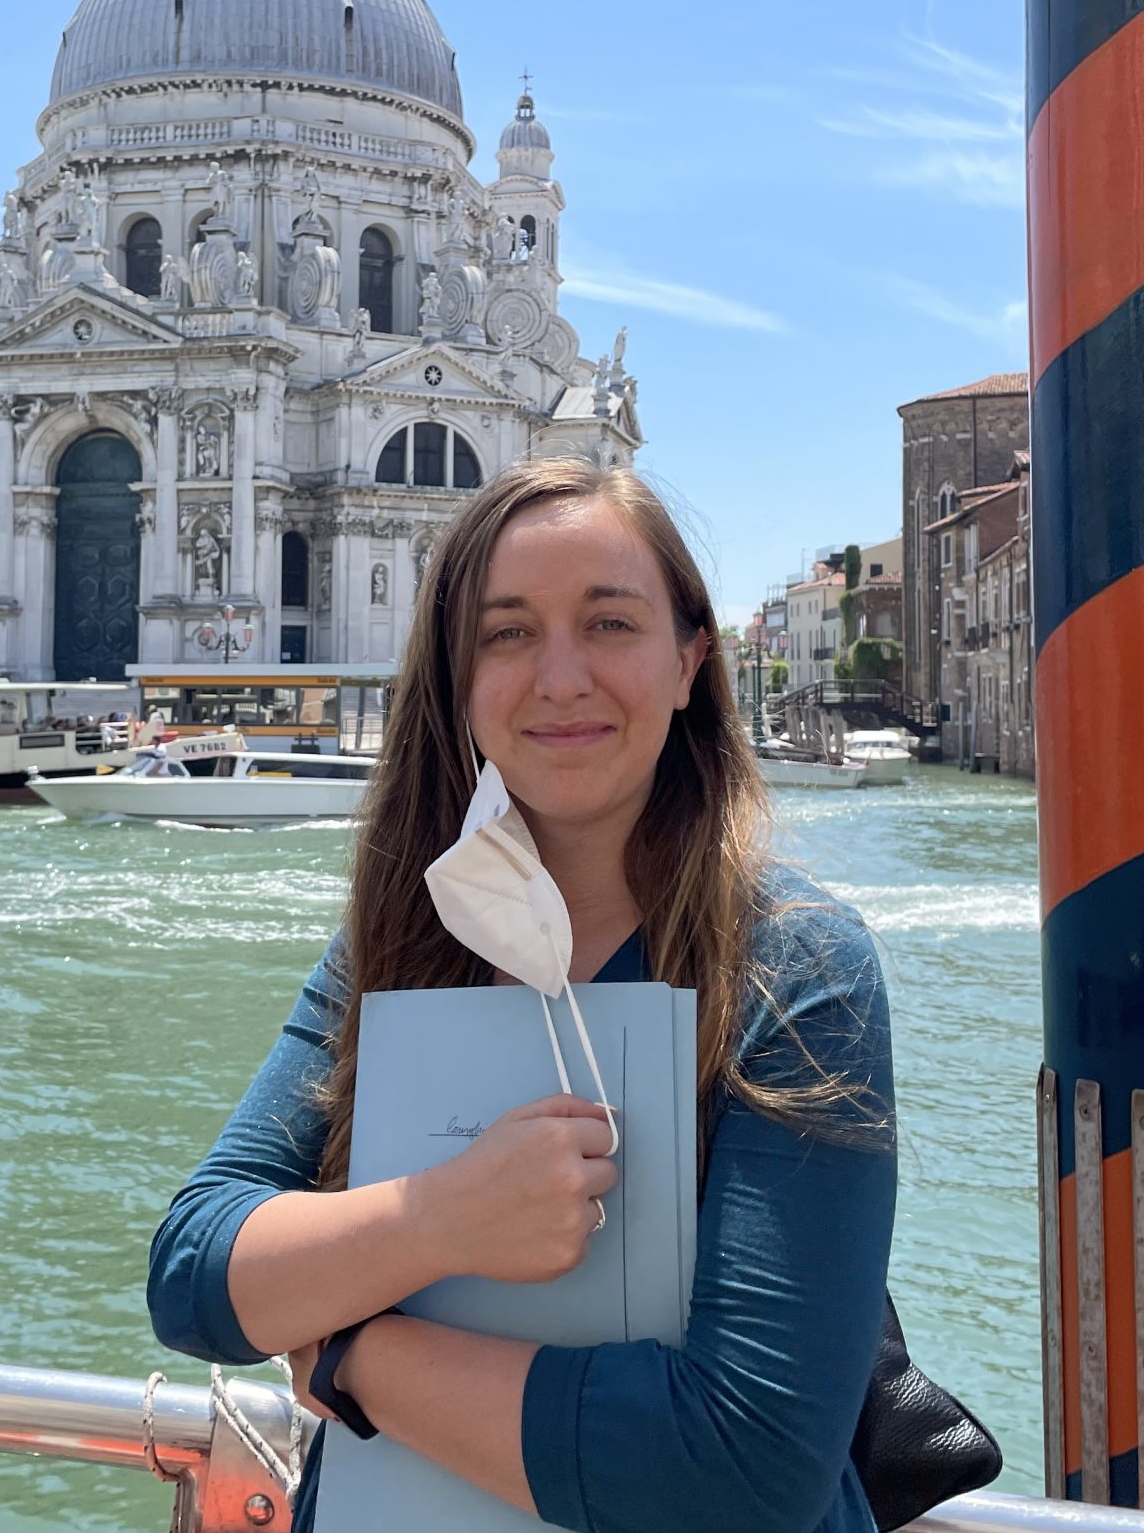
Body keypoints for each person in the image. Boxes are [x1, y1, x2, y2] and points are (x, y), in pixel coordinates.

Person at [148, 458, 897, 1532]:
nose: (560, 678)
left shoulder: (801, 965)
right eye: (506, 633)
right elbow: (192, 1275)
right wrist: (439, 1219)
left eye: (609, 624)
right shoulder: (389, 943)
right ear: (457, 678)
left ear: (690, 662)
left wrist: (351, 1352)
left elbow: (743, 1471)